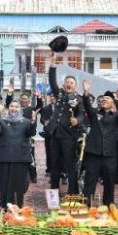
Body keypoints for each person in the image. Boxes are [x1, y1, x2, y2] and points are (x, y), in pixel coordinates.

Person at [80, 80, 118, 206]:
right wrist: (86, 92)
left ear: (112, 103)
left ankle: (109, 206)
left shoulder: (116, 116)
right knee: (89, 182)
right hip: (93, 154)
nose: (103, 100)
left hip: (110, 155)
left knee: (109, 184)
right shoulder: (94, 114)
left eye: (107, 99)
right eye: (102, 99)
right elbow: (86, 105)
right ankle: (85, 206)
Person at [46, 55, 85, 195]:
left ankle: (73, 195)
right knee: (54, 165)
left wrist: (77, 120)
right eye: (67, 82)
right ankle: (53, 195)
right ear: (64, 84)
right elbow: (51, 82)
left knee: (70, 166)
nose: (69, 84)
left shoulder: (79, 99)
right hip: (55, 134)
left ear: (75, 86)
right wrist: (52, 66)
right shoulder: (60, 94)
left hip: (69, 136)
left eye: (71, 83)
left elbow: (81, 113)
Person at [0, 100, 35, 207]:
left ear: (19, 109)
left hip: (21, 157)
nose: (14, 109)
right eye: (12, 106)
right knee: (4, 184)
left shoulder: (25, 121)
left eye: (16, 106)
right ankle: (5, 208)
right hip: (5, 157)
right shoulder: (1, 121)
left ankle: (18, 207)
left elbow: (31, 133)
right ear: (8, 108)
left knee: (19, 185)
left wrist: (34, 121)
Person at [39, 93, 57, 176]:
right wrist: (44, 122)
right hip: (48, 133)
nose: (53, 98)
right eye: (52, 96)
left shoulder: (62, 108)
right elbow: (41, 119)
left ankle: (60, 171)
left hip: (59, 133)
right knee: (49, 152)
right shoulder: (46, 108)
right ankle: (49, 170)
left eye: (55, 96)